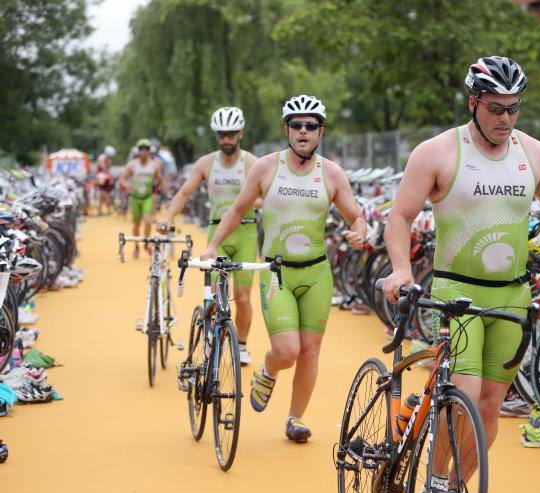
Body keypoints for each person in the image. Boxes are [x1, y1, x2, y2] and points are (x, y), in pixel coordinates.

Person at [382, 56, 540, 493]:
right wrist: (400, 270)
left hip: (512, 296)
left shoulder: (534, 154)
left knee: (492, 405)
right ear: (474, 102)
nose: (506, 119)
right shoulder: (436, 152)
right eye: (496, 108)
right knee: (465, 394)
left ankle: (457, 489)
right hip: (458, 293)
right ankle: (433, 487)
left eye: (514, 109)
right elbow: (400, 217)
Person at [199, 95, 366, 443]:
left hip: (317, 274)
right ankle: (269, 367)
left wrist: (360, 232)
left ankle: (296, 418)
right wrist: (212, 246)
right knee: (288, 351)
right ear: (286, 129)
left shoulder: (331, 173)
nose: (303, 131)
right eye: (296, 125)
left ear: (321, 131)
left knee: (310, 352)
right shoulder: (266, 168)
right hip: (278, 273)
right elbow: (235, 210)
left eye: (311, 126)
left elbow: (356, 215)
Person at [161, 107, 259, 365]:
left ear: (241, 134)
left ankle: (242, 345)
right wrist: (168, 218)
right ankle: (212, 335)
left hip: (247, 232)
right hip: (218, 233)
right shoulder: (206, 163)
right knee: (215, 294)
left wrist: (253, 203)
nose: (226, 140)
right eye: (221, 135)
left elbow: (266, 195)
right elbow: (183, 194)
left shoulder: (251, 162)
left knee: (244, 296)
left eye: (231, 134)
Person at [119, 139, 169, 258]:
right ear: (138, 151)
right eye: (141, 149)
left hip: (148, 197)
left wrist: (167, 194)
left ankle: (146, 244)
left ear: (149, 151)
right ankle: (136, 246)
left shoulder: (154, 165)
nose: (144, 152)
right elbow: (122, 179)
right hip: (135, 198)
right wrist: (127, 186)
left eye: (146, 149)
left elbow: (161, 181)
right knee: (136, 224)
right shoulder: (132, 165)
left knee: (147, 221)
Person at [95, 145, 116, 215]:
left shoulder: (108, 159)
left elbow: (106, 169)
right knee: (103, 193)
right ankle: (101, 209)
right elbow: (102, 167)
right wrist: (109, 174)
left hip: (105, 178)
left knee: (106, 193)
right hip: (102, 178)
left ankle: (106, 209)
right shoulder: (102, 158)